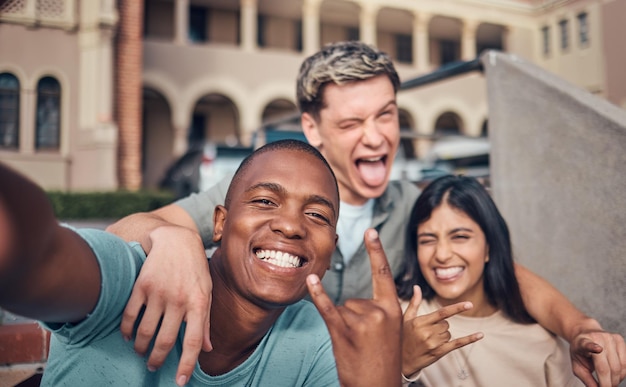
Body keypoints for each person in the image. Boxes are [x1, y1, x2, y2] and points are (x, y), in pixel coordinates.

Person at [107, 41, 626, 386]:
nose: (376, 136)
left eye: (386, 115)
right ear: (313, 129)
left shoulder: (410, 207)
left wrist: (580, 327)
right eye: (353, 122)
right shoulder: (258, 195)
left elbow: (503, 270)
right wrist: (172, 240)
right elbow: (127, 230)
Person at [0, 140, 403, 386]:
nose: (291, 225)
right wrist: (166, 233)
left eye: (316, 215)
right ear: (220, 224)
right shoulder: (135, 277)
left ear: (329, 249)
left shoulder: (316, 340)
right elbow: (35, 254)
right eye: (265, 201)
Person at [397, 175, 588, 386]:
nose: (441, 254)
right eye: (427, 240)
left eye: (460, 237)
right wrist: (403, 365)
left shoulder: (540, 344)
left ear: (489, 247)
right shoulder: (400, 318)